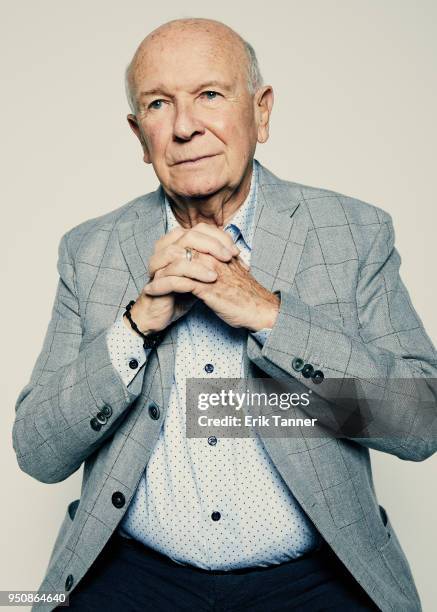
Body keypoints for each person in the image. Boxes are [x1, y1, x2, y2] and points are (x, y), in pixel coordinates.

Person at [12, 17, 436, 612]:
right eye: (160, 104)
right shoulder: (90, 251)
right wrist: (135, 327)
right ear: (140, 136)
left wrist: (270, 317)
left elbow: (419, 423)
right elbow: (37, 451)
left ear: (261, 112)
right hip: (135, 578)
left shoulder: (355, 233)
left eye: (210, 95)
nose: (185, 127)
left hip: (315, 580)